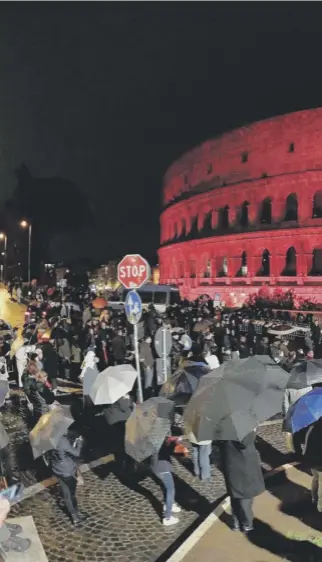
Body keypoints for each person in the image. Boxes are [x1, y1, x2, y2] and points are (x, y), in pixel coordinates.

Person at [218, 431, 265, 532]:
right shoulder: (243, 429)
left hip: (230, 464)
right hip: (244, 466)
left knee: (234, 495)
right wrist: (252, 431)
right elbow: (245, 442)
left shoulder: (222, 426)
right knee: (246, 498)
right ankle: (247, 524)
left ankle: (236, 523)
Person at [51, 431, 88, 525]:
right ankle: (75, 516)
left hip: (57, 469)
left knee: (66, 494)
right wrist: (79, 443)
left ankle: (75, 515)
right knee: (71, 494)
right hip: (67, 471)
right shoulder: (62, 440)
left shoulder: (49, 439)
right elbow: (76, 453)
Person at [150, 437, 186, 526]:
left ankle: (169, 504)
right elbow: (181, 453)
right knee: (170, 489)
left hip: (154, 466)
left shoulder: (151, 438)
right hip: (163, 468)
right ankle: (167, 517)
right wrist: (177, 442)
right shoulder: (165, 442)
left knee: (166, 487)